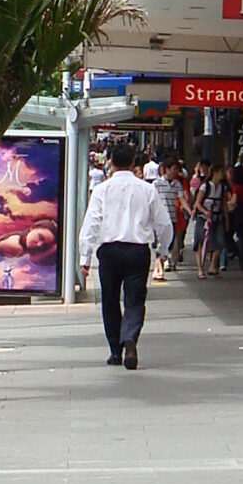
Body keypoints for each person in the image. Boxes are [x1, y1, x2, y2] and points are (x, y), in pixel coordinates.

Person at [77, 138, 175, 371]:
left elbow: (90, 224)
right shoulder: (147, 189)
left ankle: (114, 351)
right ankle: (130, 337)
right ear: (134, 162)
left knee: (110, 301)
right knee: (134, 300)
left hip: (109, 251)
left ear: (110, 161)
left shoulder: (101, 190)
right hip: (137, 251)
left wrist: (85, 257)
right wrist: (162, 250)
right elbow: (164, 224)